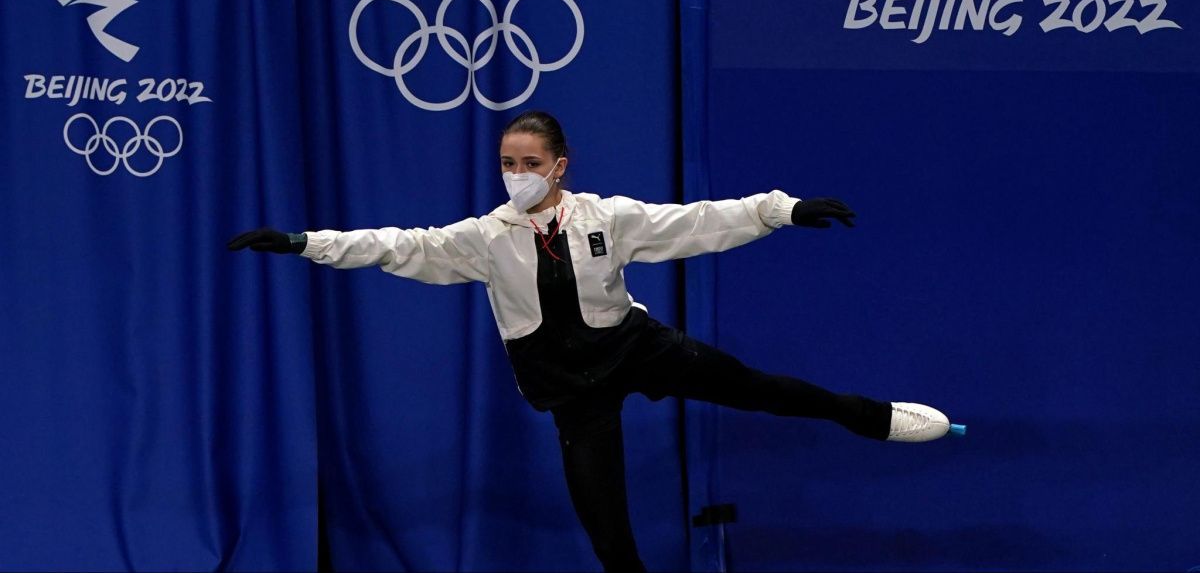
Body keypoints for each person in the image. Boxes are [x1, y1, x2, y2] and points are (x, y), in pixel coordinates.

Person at [227, 110, 955, 572]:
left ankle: (872, 415)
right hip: (573, 389)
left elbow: (698, 220)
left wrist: (783, 209)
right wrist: (304, 242)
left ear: (560, 165)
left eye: (529, 162)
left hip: (635, 346)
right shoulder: (483, 239)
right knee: (609, 535)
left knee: (760, 388)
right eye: (507, 163)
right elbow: (393, 245)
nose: (516, 174)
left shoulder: (608, 217)